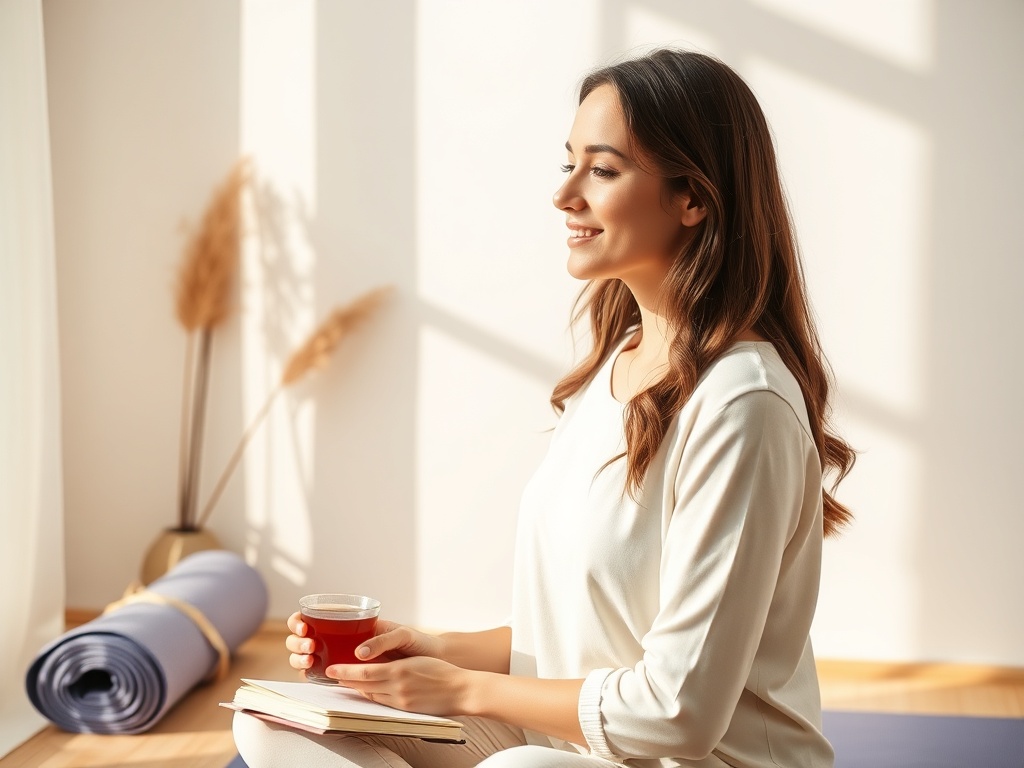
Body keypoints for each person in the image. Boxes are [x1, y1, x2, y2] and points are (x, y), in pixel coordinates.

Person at [233, 47, 855, 768]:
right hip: (568, 747)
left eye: (604, 169)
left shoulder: (744, 405)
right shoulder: (618, 363)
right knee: (278, 720)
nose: (566, 197)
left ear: (693, 198)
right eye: (570, 165)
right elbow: (578, 629)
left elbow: (677, 716)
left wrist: (462, 690)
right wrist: (427, 653)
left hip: (688, 760)